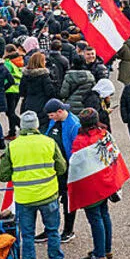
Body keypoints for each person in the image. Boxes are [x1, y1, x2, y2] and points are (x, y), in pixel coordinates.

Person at [0, 112, 69, 259]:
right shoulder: (49, 142)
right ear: (37, 126)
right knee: (52, 231)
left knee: (27, 236)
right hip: (48, 195)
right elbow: (61, 167)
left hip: (25, 198)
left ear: (21, 127)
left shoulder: (13, 146)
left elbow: (3, 175)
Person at [69, 108, 125, 259]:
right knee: (104, 214)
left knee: (95, 218)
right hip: (105, 182)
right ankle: (106, 249)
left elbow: (75, 163)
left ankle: (99, 254)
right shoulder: (104, 133)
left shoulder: (81, 140)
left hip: (90, 185)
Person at [43, 99, 81, 244]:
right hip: (54, 168)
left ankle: (68, 230)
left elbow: (76, 150)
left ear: (59, 112)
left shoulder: (73, 125)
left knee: (68, 200)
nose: (49, 118)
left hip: (68, 169)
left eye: (51, 115)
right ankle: (50, 229)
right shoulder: (54, 122)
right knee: (51, 200)